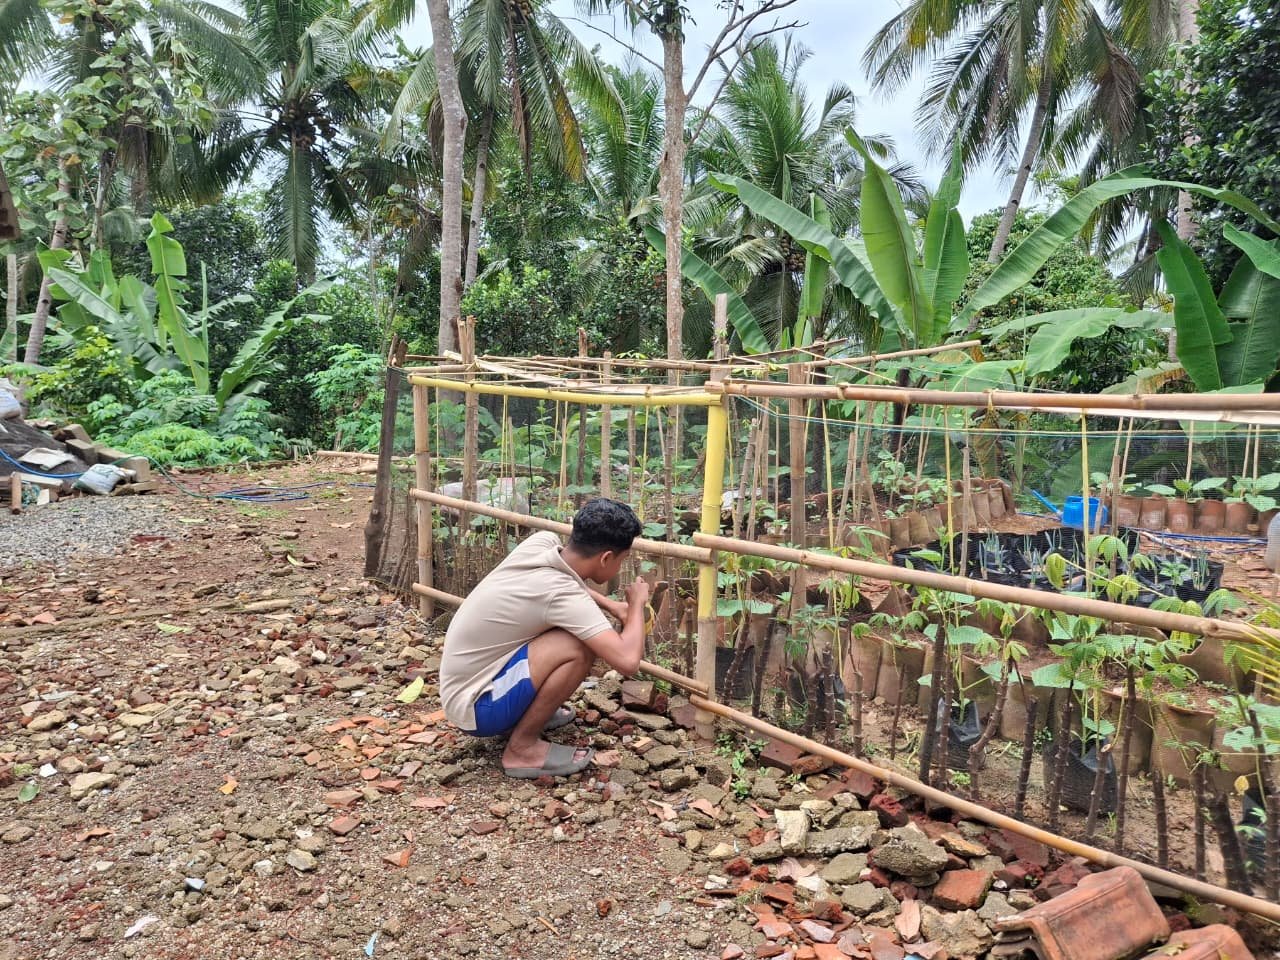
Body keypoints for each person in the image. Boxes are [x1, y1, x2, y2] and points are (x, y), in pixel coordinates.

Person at [439, 497, 650, 779]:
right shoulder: (562, 594)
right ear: (606, 558)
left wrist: (612, 606)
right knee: (577, 646)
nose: (621, 566)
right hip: (477, 709)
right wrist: (635, 605)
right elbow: (627, 661)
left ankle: (523, 715)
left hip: (466, 688)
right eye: (623, 560)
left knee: (569, 632)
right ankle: (522, 749)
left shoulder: (542, 543)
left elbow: (565, 585)